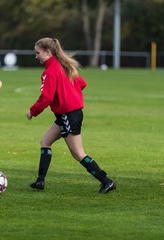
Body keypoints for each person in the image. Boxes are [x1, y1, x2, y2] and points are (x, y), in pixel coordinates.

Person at [26, 37, 116, 194]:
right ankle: (40, 181)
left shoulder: (50, 71)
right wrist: (69, 94)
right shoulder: (63, 66)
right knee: (45, 141)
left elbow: (46, 98)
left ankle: (106, 181)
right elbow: (82, 83)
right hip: (67, 114)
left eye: (37, 53)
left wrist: (33, 111)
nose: (36, 56)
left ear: (47, 52)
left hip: (69, 115)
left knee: (78, 153)